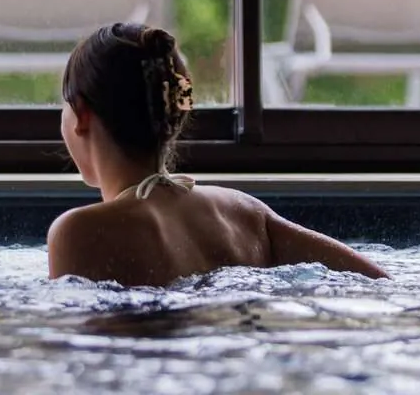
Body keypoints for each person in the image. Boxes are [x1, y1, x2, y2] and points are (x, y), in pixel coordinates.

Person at [49, 22, 387, 286]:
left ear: (81, 114)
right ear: (175, 112)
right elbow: (376, 280)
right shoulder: (242, 212)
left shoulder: (78, 233)